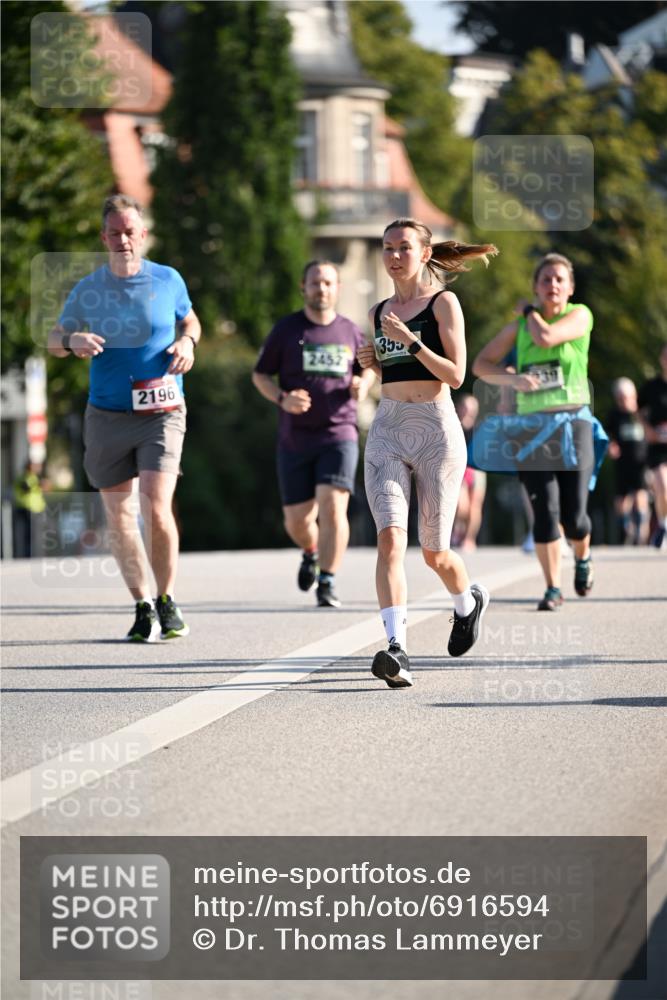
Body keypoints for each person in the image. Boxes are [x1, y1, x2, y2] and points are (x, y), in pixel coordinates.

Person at [48, 194, 201, 642]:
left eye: (129, 231)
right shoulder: (88, 288)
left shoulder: (167, 280)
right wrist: (72, 339)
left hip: (162, 410)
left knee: (155, 506)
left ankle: (168, 599)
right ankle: (141, 604)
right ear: (103, 237)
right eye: (114, 232)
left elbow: (190, 322)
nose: (122, 240)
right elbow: (55, 338)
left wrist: (188, 343)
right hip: (109, 413)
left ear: (143, 234)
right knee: (118, 516)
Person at [356, 218, 497, 689]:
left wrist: (410, 340)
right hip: (389, 429)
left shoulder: (444, 303)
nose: (394, 256)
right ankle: (396, 648)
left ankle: (467, 602)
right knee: (391, 540)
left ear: (424, 252)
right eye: (387, 248)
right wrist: (372, 363)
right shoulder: (378, 312)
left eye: (403, 248)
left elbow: (456, 376)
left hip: (437, 430)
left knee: (434, 552)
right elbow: (392, 374)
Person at [472, 252, 599, 611]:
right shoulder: (516, 330)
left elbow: (546, 338)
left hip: (573, 423)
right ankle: (552, 588)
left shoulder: (580, 315)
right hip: (530, 428)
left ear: (570, 287)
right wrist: (512, 380)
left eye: (560, 279)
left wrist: (529, 311)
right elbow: (481, 364)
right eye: (545, 280)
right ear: (535, 287)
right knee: (545, 512)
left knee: (575, 518)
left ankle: (583, 557)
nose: (553, 285)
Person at [251, 261, 375, 608]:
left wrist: (361, 384)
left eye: (328, 283)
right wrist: (282, 398)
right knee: (297, 520)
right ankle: (310, 550)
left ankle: (328, 579)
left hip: (340, 432)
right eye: (315, 283)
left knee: (334, 506)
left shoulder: (351, 331)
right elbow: (260, 375)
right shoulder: (287, 330)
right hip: (295, 437)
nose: (322, 289)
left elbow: (368, 371)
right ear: (303, 288)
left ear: (337, 289)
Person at [607, 377, 649, 545]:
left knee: (640, 495)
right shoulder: (614, 415)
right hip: (622, 463)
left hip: (641, 462)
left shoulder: (641, 413)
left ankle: (641, 534)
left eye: (626, 397)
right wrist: (611, 445)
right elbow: (608, 435)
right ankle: (625, 530)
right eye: (620, 398)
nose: (624, 401)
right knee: (622, 500)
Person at [638, 345, 667, 549]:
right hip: (657, 446)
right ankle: (663, 526)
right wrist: (647, 430)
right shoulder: (651, 386)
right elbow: (638, 409)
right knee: (662, 487)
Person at [452, 393, 487, 550]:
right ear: (460, 408)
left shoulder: (480, 427)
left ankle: (469, 539)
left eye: (472, 408)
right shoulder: (453, 425)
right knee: (461, 505)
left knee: (475, 506)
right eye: (466, 407)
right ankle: (458, 528)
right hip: (458, 468)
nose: (468, 411)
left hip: (476, 469)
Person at [12, 460, 47, 557]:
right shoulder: (27, 477)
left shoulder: (33, 477)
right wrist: (38, 485)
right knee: (30, 534)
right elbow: (26, 487)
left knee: (34, 534)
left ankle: (34, 554)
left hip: (35, 509)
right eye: (35, 466)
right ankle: (30, 554)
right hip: (29, 509)